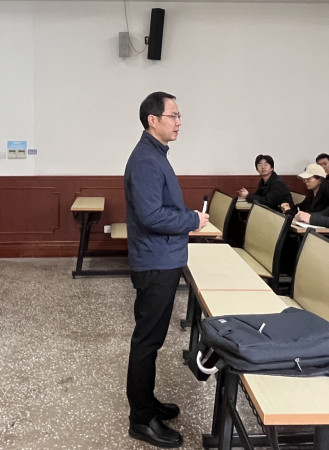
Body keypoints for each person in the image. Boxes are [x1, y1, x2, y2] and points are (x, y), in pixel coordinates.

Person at [124, 92, 208, 448]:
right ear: (152, 120)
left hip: (163, 258)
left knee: (152, 339)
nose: (179, 122)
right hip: (156, 261)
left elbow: (161, 207)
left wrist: (188, 216)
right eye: (173, 115)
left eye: (179, 116)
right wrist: (192, 220)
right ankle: (141, 420)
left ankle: (147, 403)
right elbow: (151, 216)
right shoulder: (146, 159)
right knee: (147, 341)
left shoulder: (155, 154)